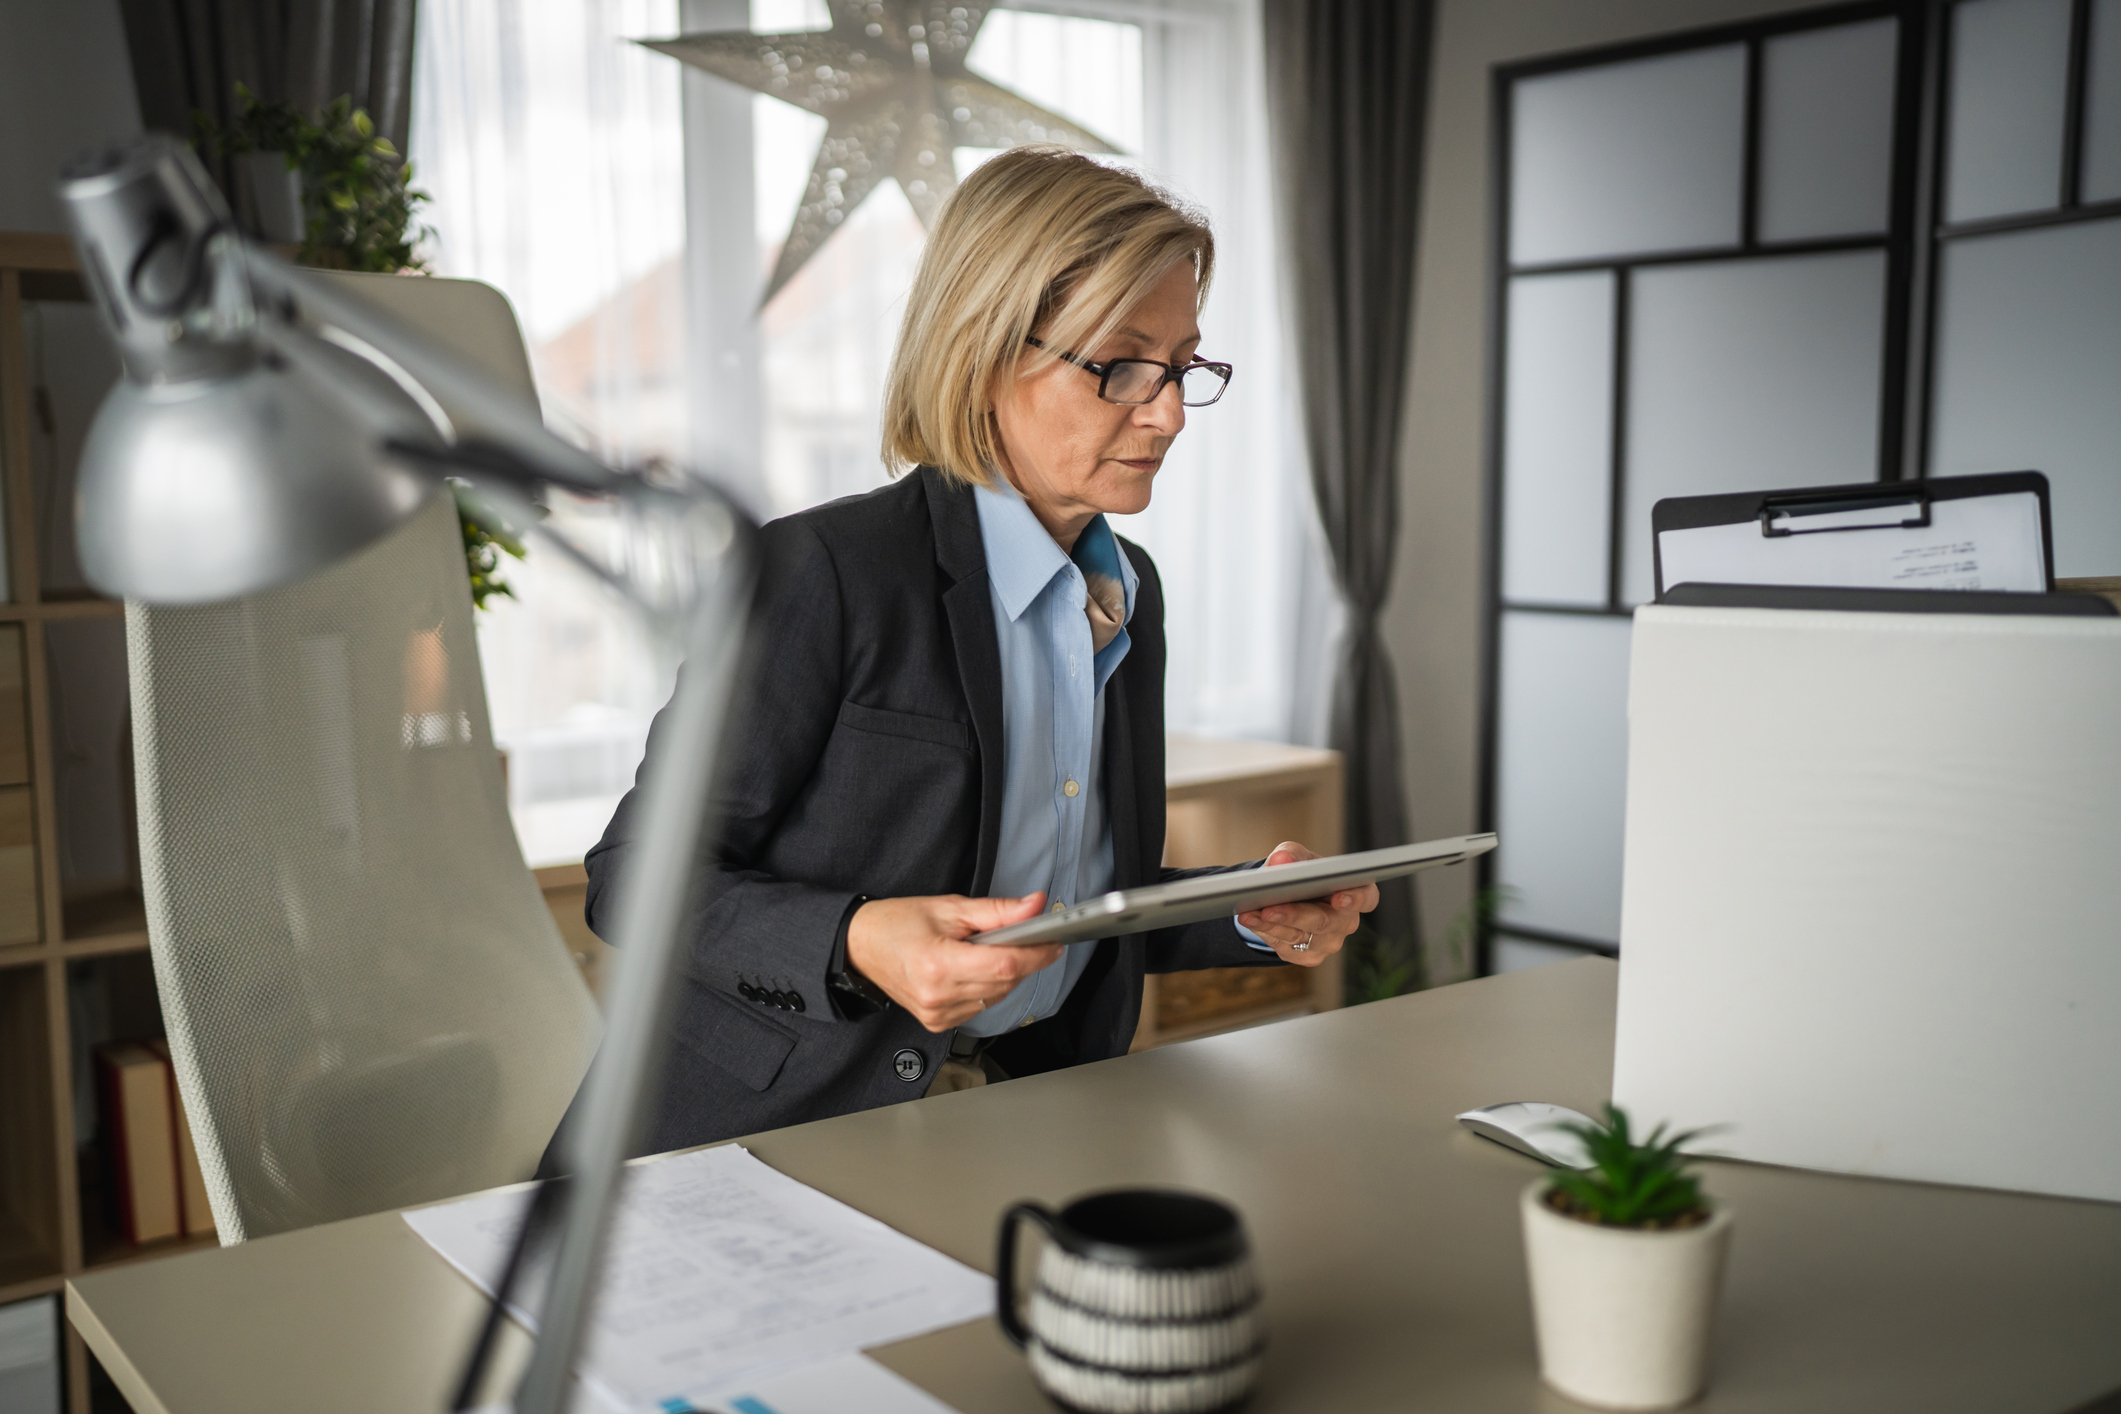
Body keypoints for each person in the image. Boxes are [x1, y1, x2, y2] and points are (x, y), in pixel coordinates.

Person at [587, 145, 1378, 1152]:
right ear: (987, 352)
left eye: (1183, 368)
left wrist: (1247, 910)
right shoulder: (819, 571)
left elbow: (1080, 906)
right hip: (780, 1131)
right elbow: (633, 877)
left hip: (1032, 1112)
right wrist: (856, 939)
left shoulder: (1130, 590)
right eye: (1124, 366)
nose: (1171, 411)